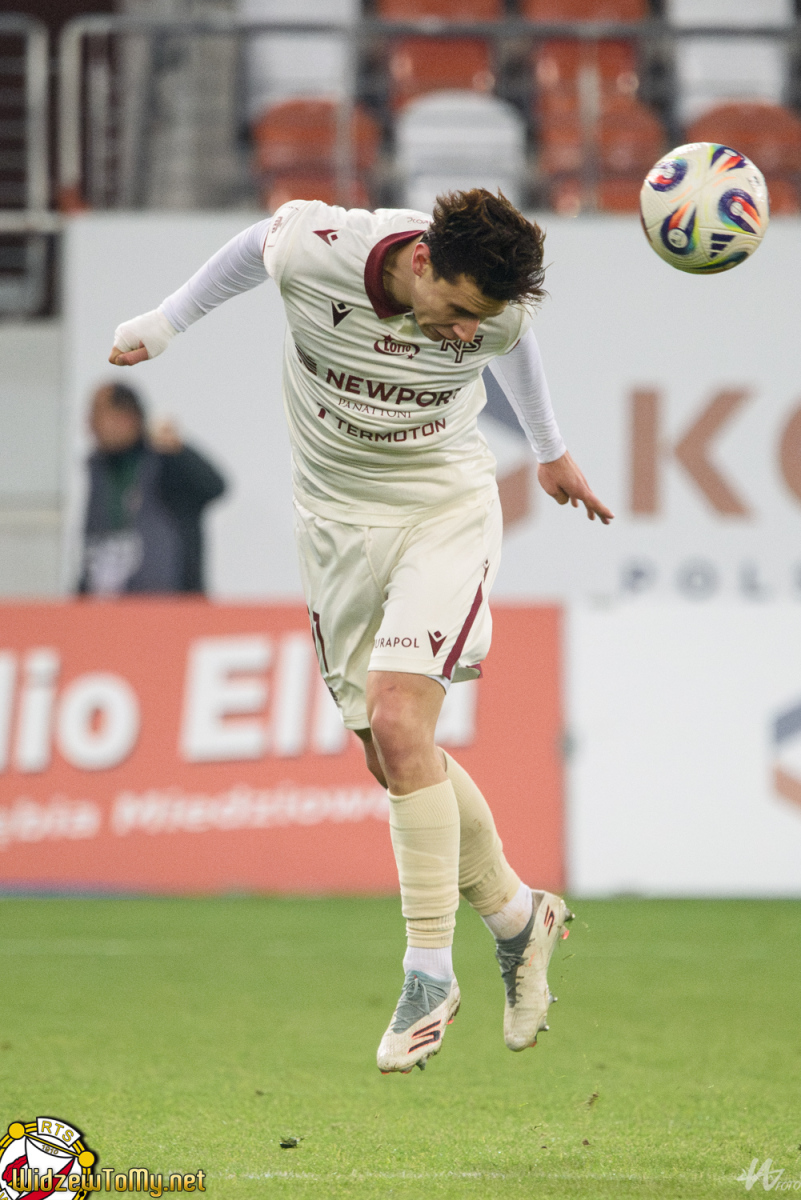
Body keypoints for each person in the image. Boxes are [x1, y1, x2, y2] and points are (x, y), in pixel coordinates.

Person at [108, 188, 613, 1073]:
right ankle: (516, 916)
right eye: (457, 310)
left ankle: (428, 974)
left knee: (399, 719)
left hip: (442, 510)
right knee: (390, 757)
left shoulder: (493, 315)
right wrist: (166, 321)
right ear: (420, 261)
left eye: (481, 319)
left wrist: (547, 450)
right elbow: (253, 247)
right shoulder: (320, 246)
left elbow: (515, 343)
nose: (467, 334)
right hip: (334, 525)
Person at [80, 381, 227, 596]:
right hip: (110, 603)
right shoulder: (100, 469)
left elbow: (215, 487)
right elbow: (94, 544)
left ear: (127, 418)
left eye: (97, 415)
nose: (90, 425)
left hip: (171, 603)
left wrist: (179, 451)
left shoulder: (166, 462)